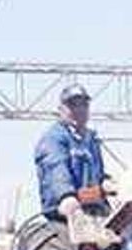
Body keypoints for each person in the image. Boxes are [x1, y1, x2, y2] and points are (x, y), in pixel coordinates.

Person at [34, 84, 112, 220]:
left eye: (83, 105)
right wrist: (66, 195)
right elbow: (56, 168)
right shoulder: (53, 138)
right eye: (73, 105)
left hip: (94, 210)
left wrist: (106, 184)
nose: (79, 110)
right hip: (64, 213)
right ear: (61, 109)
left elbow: (97, 173)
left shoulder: (91, 140)